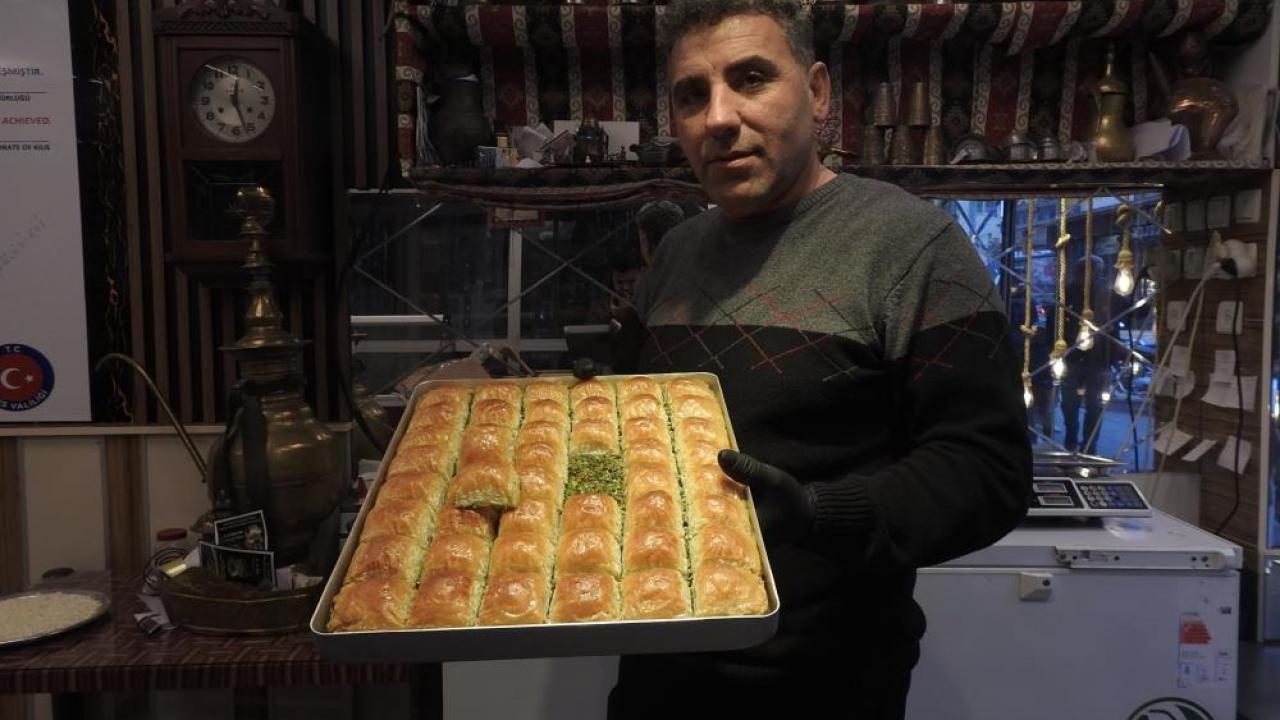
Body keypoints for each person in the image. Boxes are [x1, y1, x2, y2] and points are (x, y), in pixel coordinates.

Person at [607, 1, 1032, 717]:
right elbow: (637, 426)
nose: (718, 117)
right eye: (692, 95)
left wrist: (819, 512)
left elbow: (989, 471)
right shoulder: (677, 252)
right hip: (655, 671)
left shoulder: (912, 246)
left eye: (750, 79)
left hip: (825, 685)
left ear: (818, 92)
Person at [1060, 254, 1111, 454]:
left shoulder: (1104, 292)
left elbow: (1112, 323)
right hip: (1074, 356)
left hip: (1095, 358)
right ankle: (1074, 441)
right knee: (1071, 403)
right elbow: (1057, 323)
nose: (1092, 275)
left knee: (1093, 404)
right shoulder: (1069, 292)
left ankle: (1088, 445)